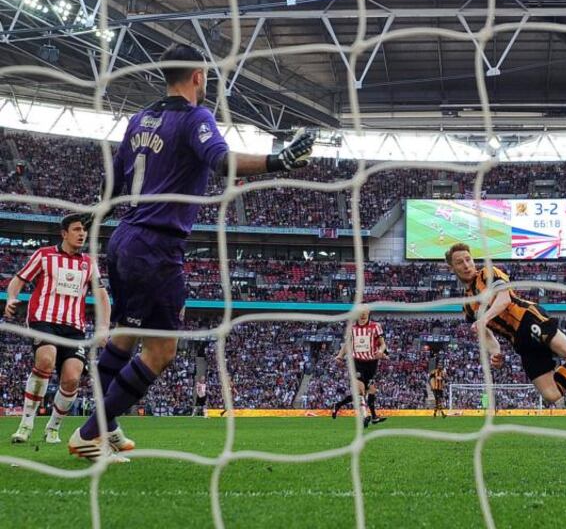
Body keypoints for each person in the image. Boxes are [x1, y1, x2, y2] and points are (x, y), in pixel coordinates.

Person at [68, 43, 315, 461]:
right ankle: (89, 433)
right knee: (161, 352)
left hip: (124, 238)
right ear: (198, 76)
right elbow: (222, 162)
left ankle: (106, 426)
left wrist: (97, 212)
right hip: (157, 246)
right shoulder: (195, 117)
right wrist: (281, 160)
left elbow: (115, 178)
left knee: (125, 335)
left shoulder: (138, 119)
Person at [445, 243, 566, 405]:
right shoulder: (467, 306)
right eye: (460, 262)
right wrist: (495, 352)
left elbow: (504, 299)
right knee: (552, 395)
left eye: (468, 259)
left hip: (528, 319)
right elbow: (485, 333)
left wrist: (485, 318)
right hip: (520, 342)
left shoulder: (488, 273)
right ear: (452, 268)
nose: (466, 265)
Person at [7, 214, 111, 445]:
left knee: (72, 378)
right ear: (64, 233)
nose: (82, 234)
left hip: (74, 327)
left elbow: (102, 296)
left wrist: (104, 326)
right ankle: (25, 425)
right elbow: (18, 280)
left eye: (84, 230)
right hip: (43, 319)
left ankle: (53, 428)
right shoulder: (44, 255)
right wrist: (11, 298)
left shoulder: (88, 263)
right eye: (76, 229)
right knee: (46, 359)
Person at [330, 310, 388, 427]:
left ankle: (339, 405)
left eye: (364, 312)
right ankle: (365, 416)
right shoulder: (352, 328)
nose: (362, 314)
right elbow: (347, 344)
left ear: (368, 313)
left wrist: (381, 352)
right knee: (360, 390)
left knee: (371, 391)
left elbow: (382, 344)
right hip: (358, 362)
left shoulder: (376, 326)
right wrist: (340, 356)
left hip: (372, 363)